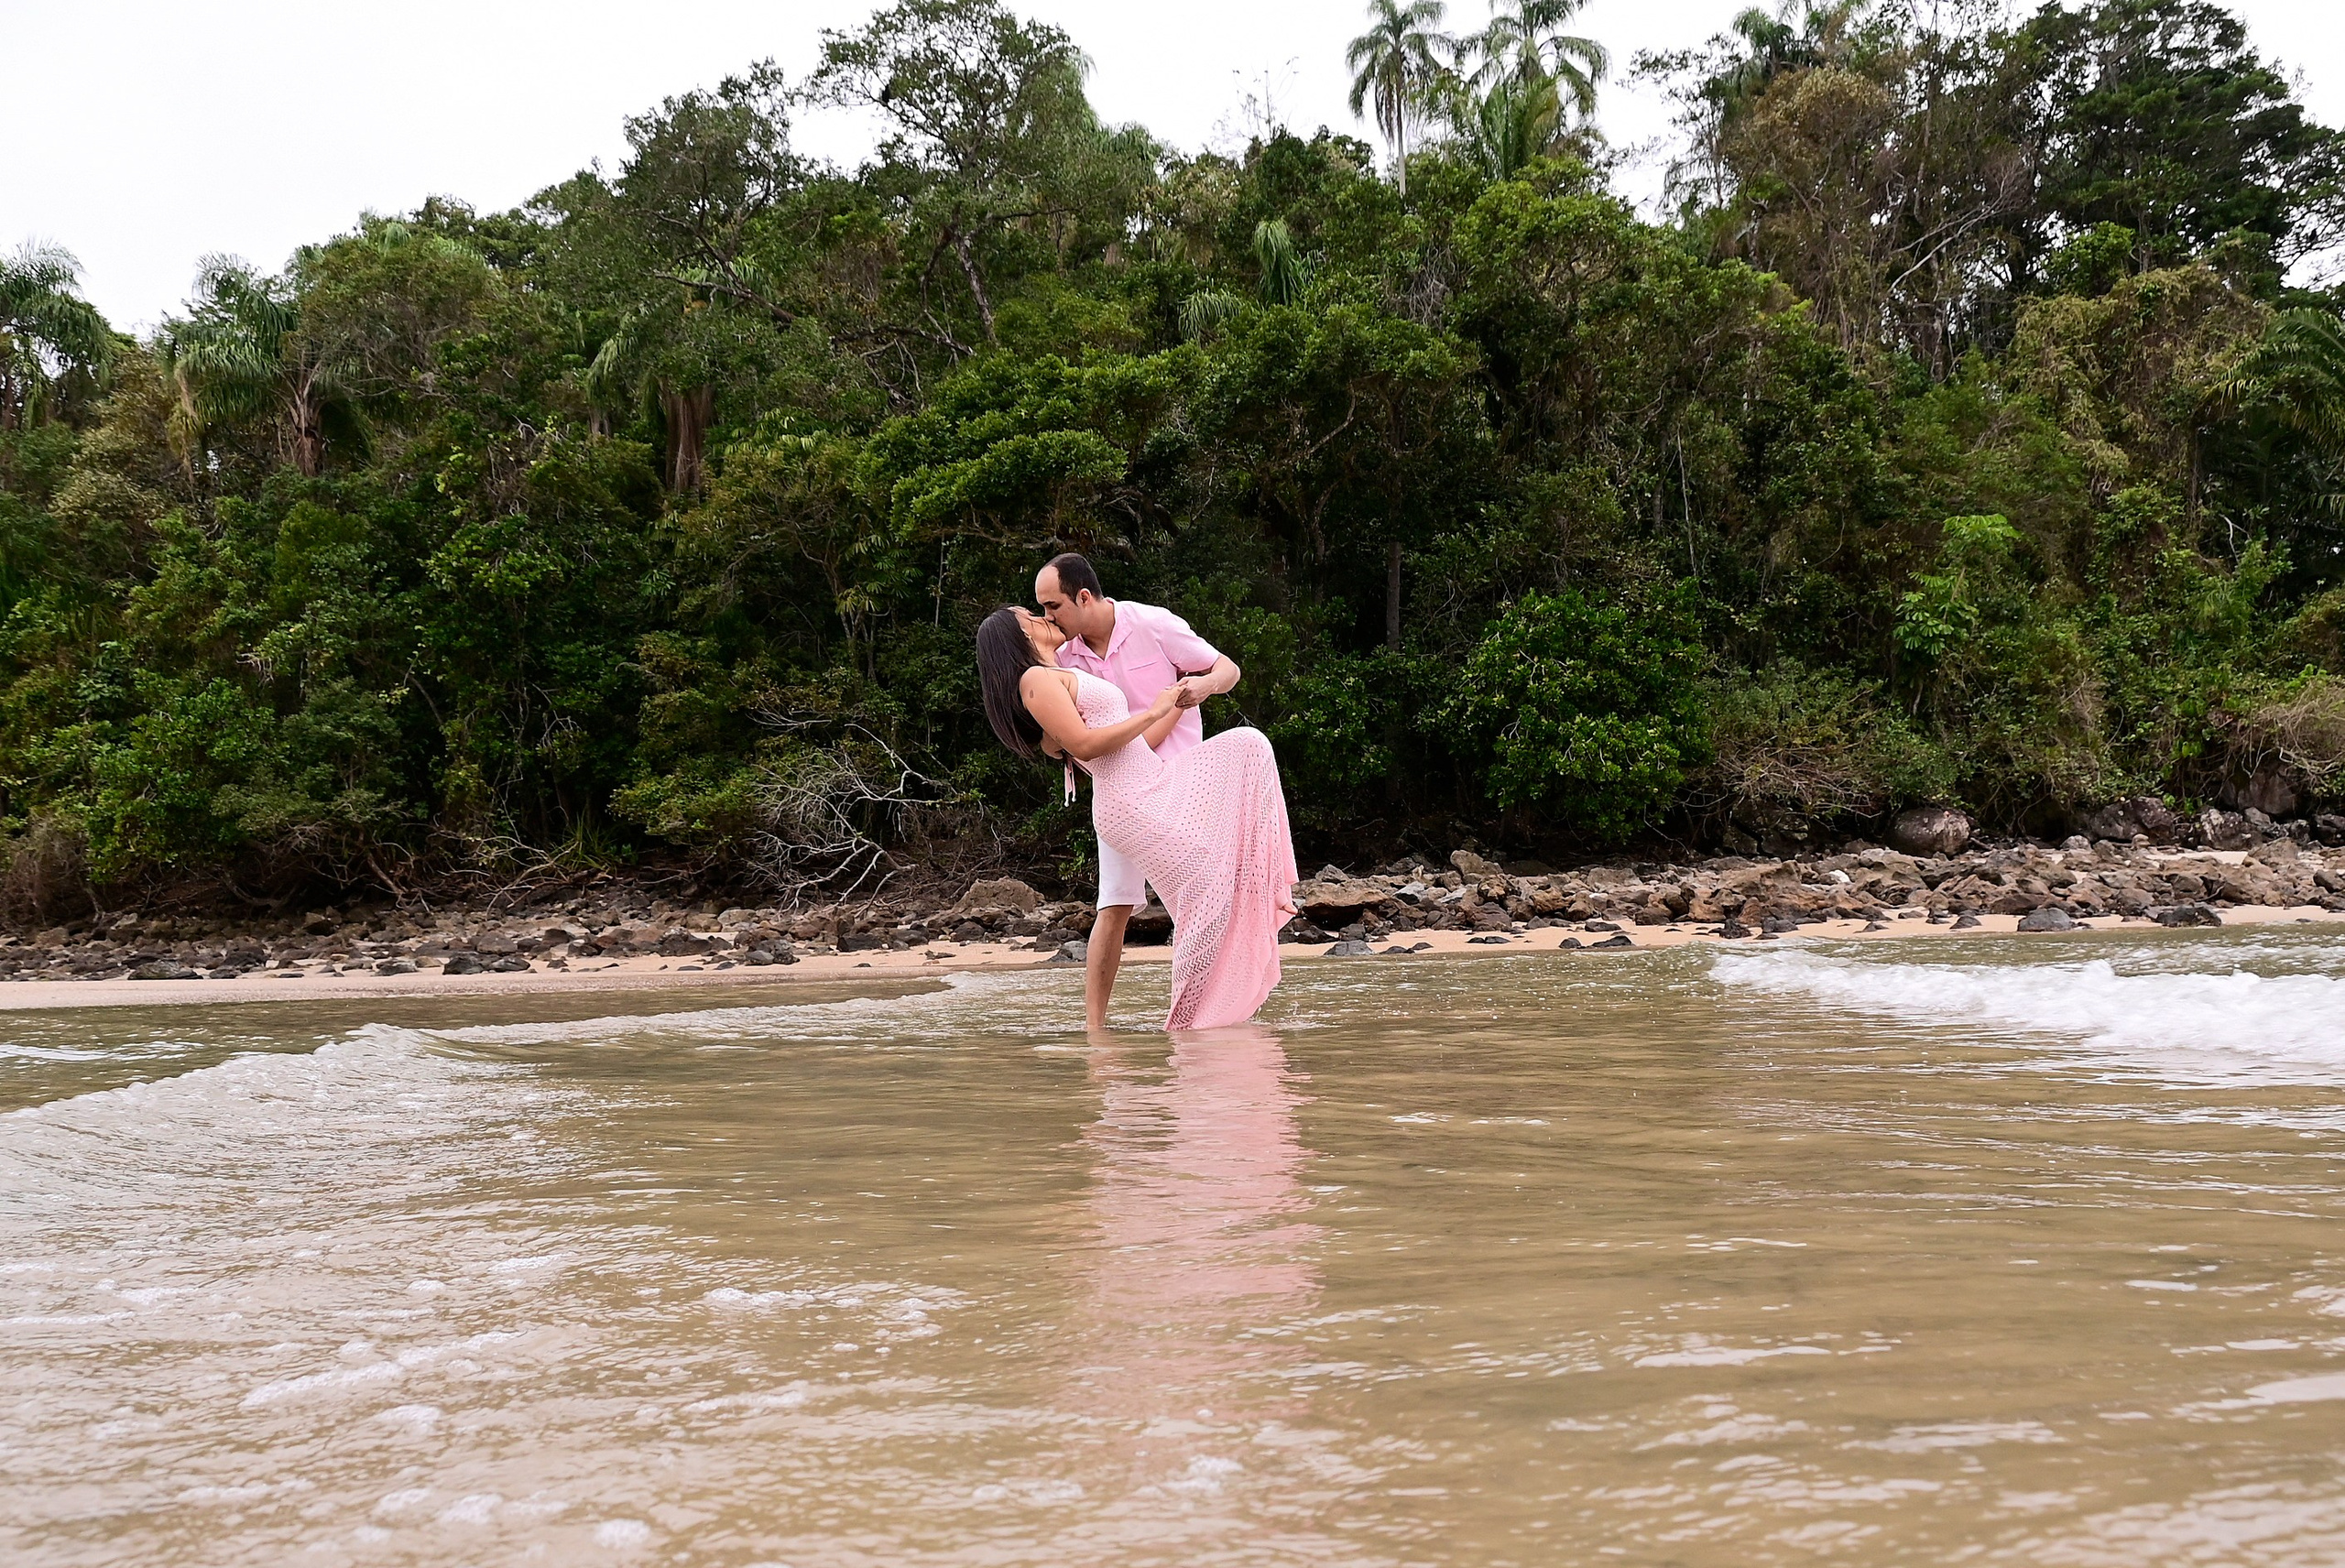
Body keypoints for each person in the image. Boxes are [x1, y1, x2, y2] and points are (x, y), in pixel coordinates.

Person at [976, 605, 1297, 1031]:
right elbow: (1084, 745)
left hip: (1151, 781)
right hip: (1131, 801)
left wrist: (1174, 703)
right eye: (1031, 617)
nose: (1044, 617)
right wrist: (1152, 710)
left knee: (1247, 745)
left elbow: (1133, 747)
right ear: (1018, 636)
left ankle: (1215, 1006)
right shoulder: (1035, 680)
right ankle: (1189, 1021)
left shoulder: (1055, 673)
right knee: (1200, 896)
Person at [1033, 553, 1243, 1027]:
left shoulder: (1153, 623)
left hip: (1184, 784)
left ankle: (1210, 1016)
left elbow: (1227, 668)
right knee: (1113, 904)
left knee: (1200, 897)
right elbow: (1054, 740)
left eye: (1053, 606)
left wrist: (1205, 687)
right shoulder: (1060, 658)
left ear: (1083, 597)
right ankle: (1095, 1029)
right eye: (1042, 608)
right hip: (1120, 793)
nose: (1048, 617)